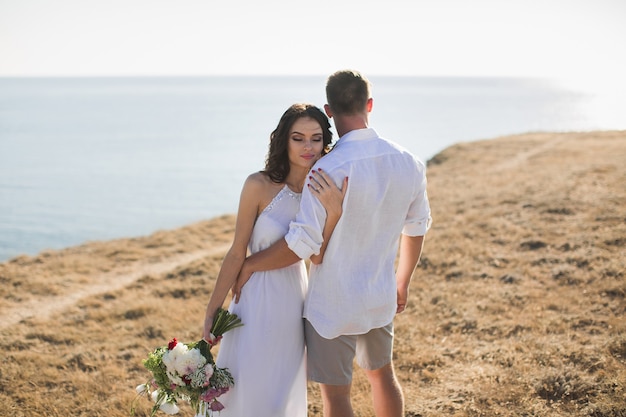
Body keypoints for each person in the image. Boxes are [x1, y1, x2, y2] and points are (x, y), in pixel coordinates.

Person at [233, 70, 432, 417]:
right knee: (383, 376)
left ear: (329, 110)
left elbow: (302, 244)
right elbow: (416, 227)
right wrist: (403, 281)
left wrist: (250, 263)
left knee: (337, 399)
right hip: (379, 294)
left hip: (332, 306)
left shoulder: (327, 168)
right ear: (369, 104)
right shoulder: (408, 162)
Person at [202, 103, 347, 417]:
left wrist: (333, 212)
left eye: (316, 138)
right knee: (244, 384)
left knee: (278, 389)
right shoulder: (258, 184)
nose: (308, 147)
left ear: (326, 142)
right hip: (253, 298)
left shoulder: (321, 188)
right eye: (298, 138)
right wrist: (213, 310)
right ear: (284, 140)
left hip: (293, 302)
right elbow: (237, 252)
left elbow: (317, 255)